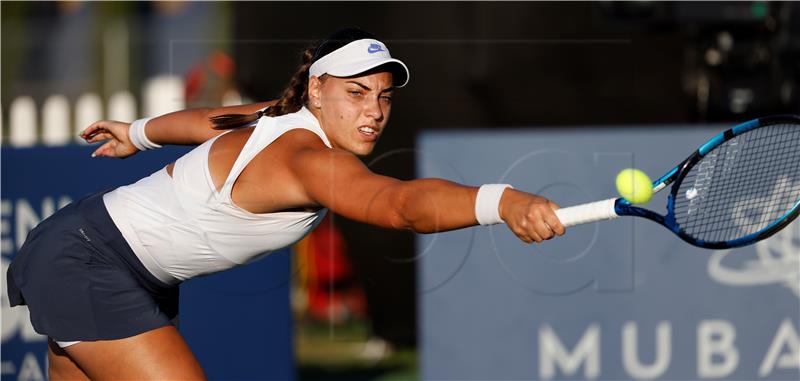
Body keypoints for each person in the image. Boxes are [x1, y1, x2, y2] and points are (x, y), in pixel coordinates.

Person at [6, 27, 565, 380]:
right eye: (356, 92)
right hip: (89, 261)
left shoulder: (279, 113)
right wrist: (502, 200)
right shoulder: (308, 157)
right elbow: (398, 206)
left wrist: (140, 131)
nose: (373, 111)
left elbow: (209, 120)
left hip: (98, 254)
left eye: (383, 96)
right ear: (317, 89)